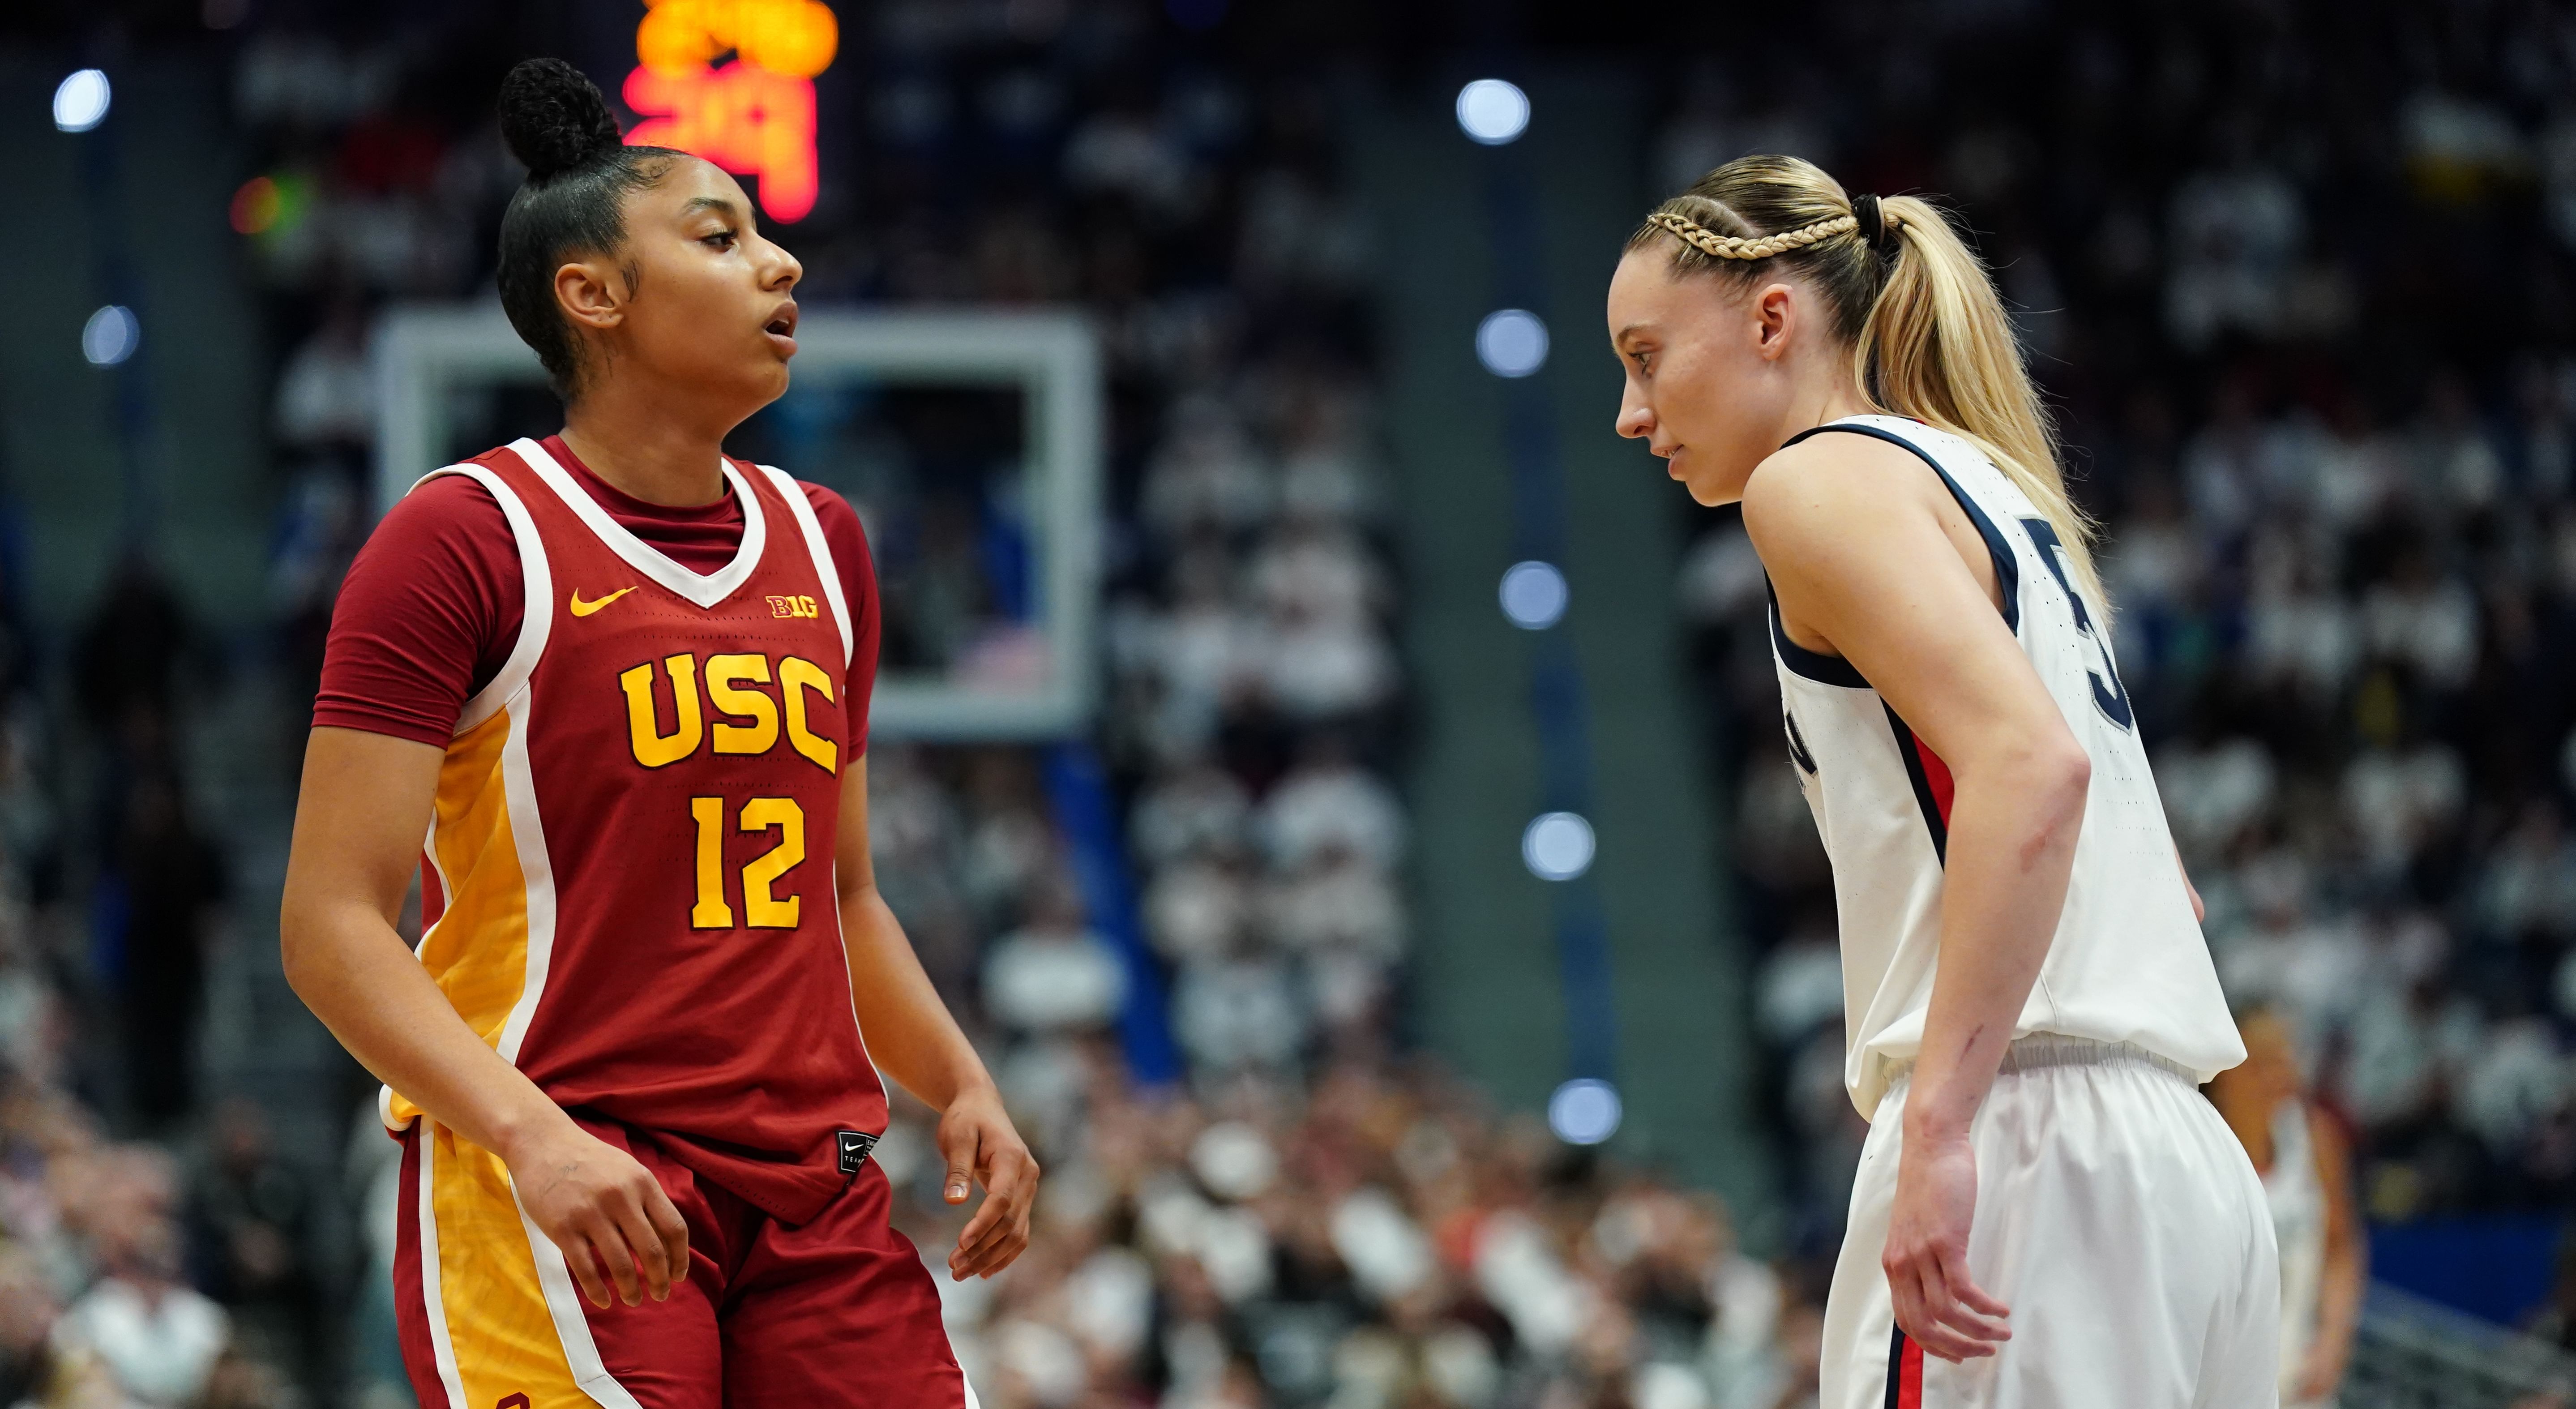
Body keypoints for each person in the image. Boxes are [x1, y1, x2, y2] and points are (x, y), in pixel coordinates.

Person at [278, 59, 1038, 1409]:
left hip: (815, 1184)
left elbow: (841, 891)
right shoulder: (462, 539)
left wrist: (957, 1077)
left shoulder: (828, 540)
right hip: (570, 1166)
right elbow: (331, 921)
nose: (780, 261)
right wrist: (533, 1137)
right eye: (721, 236)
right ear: (595, 294)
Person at [1605, 155, 2277, 1407]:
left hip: (2033, 1147)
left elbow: (2032, 769)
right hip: (2183, 1165)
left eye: (1646, 357)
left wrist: (1942, 1123)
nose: (1631, 412)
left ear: (1769, 319)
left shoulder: (1815, 482)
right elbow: (2163, 890)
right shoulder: (1996, 491)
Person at [2207, 1007, 2365, 1409]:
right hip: (2220, 1386)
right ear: (2223, 1071)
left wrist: (2332, 1341)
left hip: (2300, 1385)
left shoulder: (2314, 1139)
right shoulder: (2200, 1148)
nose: (2280, 1077)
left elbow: (2342, 1248)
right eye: (2263, 1063)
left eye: (2285, 1061)